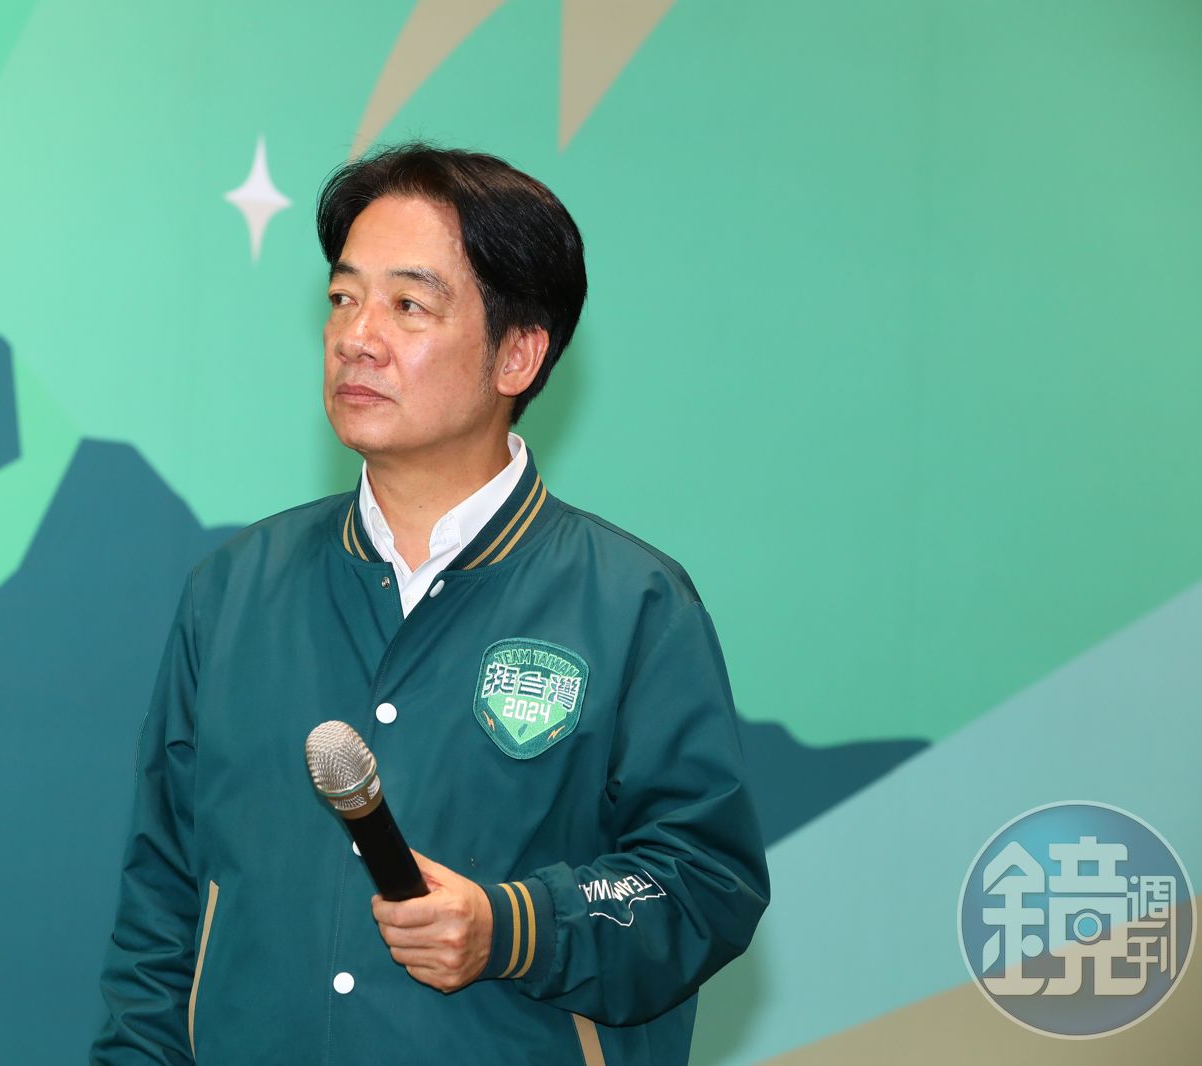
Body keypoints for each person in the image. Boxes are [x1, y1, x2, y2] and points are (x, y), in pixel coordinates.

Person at [92, 144, 769, 1066]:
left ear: (518, 354)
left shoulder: (634, 605)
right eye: (343, 298)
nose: (357, 337)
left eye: (408, 305)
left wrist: (512, 927)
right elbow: (160, 910)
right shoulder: (235, 589)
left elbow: (703, 885)